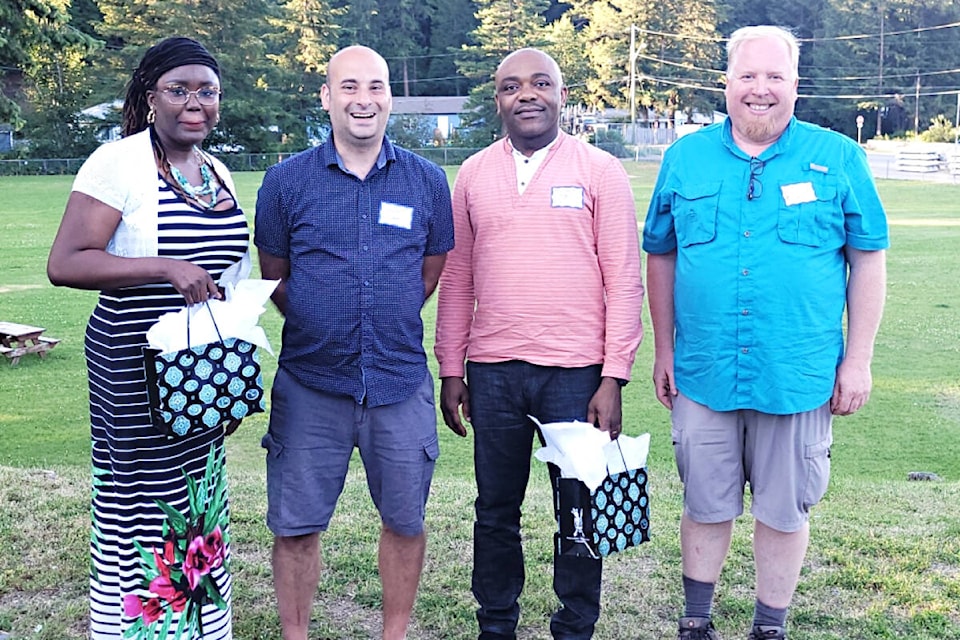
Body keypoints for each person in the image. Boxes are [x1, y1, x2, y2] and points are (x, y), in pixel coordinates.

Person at [642, 26, 888, 640]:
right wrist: (664, 349)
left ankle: (768, 627)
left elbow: (869, 259)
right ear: (726, 84)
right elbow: (661, 255)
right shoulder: (685, 157)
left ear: (795, 85)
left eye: (774, 77)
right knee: (705, 504)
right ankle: (696, 623)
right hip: (703, 370)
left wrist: (857, 362)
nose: (760, 89)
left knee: (784, 511)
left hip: (797, 374)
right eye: (747, 76)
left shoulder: (839, 158)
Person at [434, 48, 644, 640]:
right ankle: (496, 625)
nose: (526, 94)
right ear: (496, 98)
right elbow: (458, 280)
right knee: (495, 511)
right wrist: (453, 369)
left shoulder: (600, 170)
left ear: (561, 93)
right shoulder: (473, 174)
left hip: (576, 377)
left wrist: (614, 376)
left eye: (540, 83)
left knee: (580, 511)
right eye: (510, 86)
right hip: (494, 373)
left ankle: (575, 627)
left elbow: (623, 279)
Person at [47, 37, 249, 639]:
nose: (196, 103)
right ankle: (137, 630)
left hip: (198, 371)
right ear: (149, 96)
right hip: (133, 367)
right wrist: (164, 267)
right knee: (141, 504)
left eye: (207, 91)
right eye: (179, 89)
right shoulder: (119, 162)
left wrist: (230, 382)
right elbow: (66, 262)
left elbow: (227, 284)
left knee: (198, 497)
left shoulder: (216, 170)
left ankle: (201, 629)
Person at [254, 45, 454, 640]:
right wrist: (326, 321)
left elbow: (430, 268)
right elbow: (275, 275)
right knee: (294, 526)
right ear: (326, 96)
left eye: (375, 86)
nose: (362, 100)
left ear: (390, 96)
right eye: (348, 87)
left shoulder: (427, 179)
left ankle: (393, 633)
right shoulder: (285, 182)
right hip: (312, 381)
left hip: (397, 381)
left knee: (405, 520)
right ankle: (297, 634)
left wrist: (380, 317)